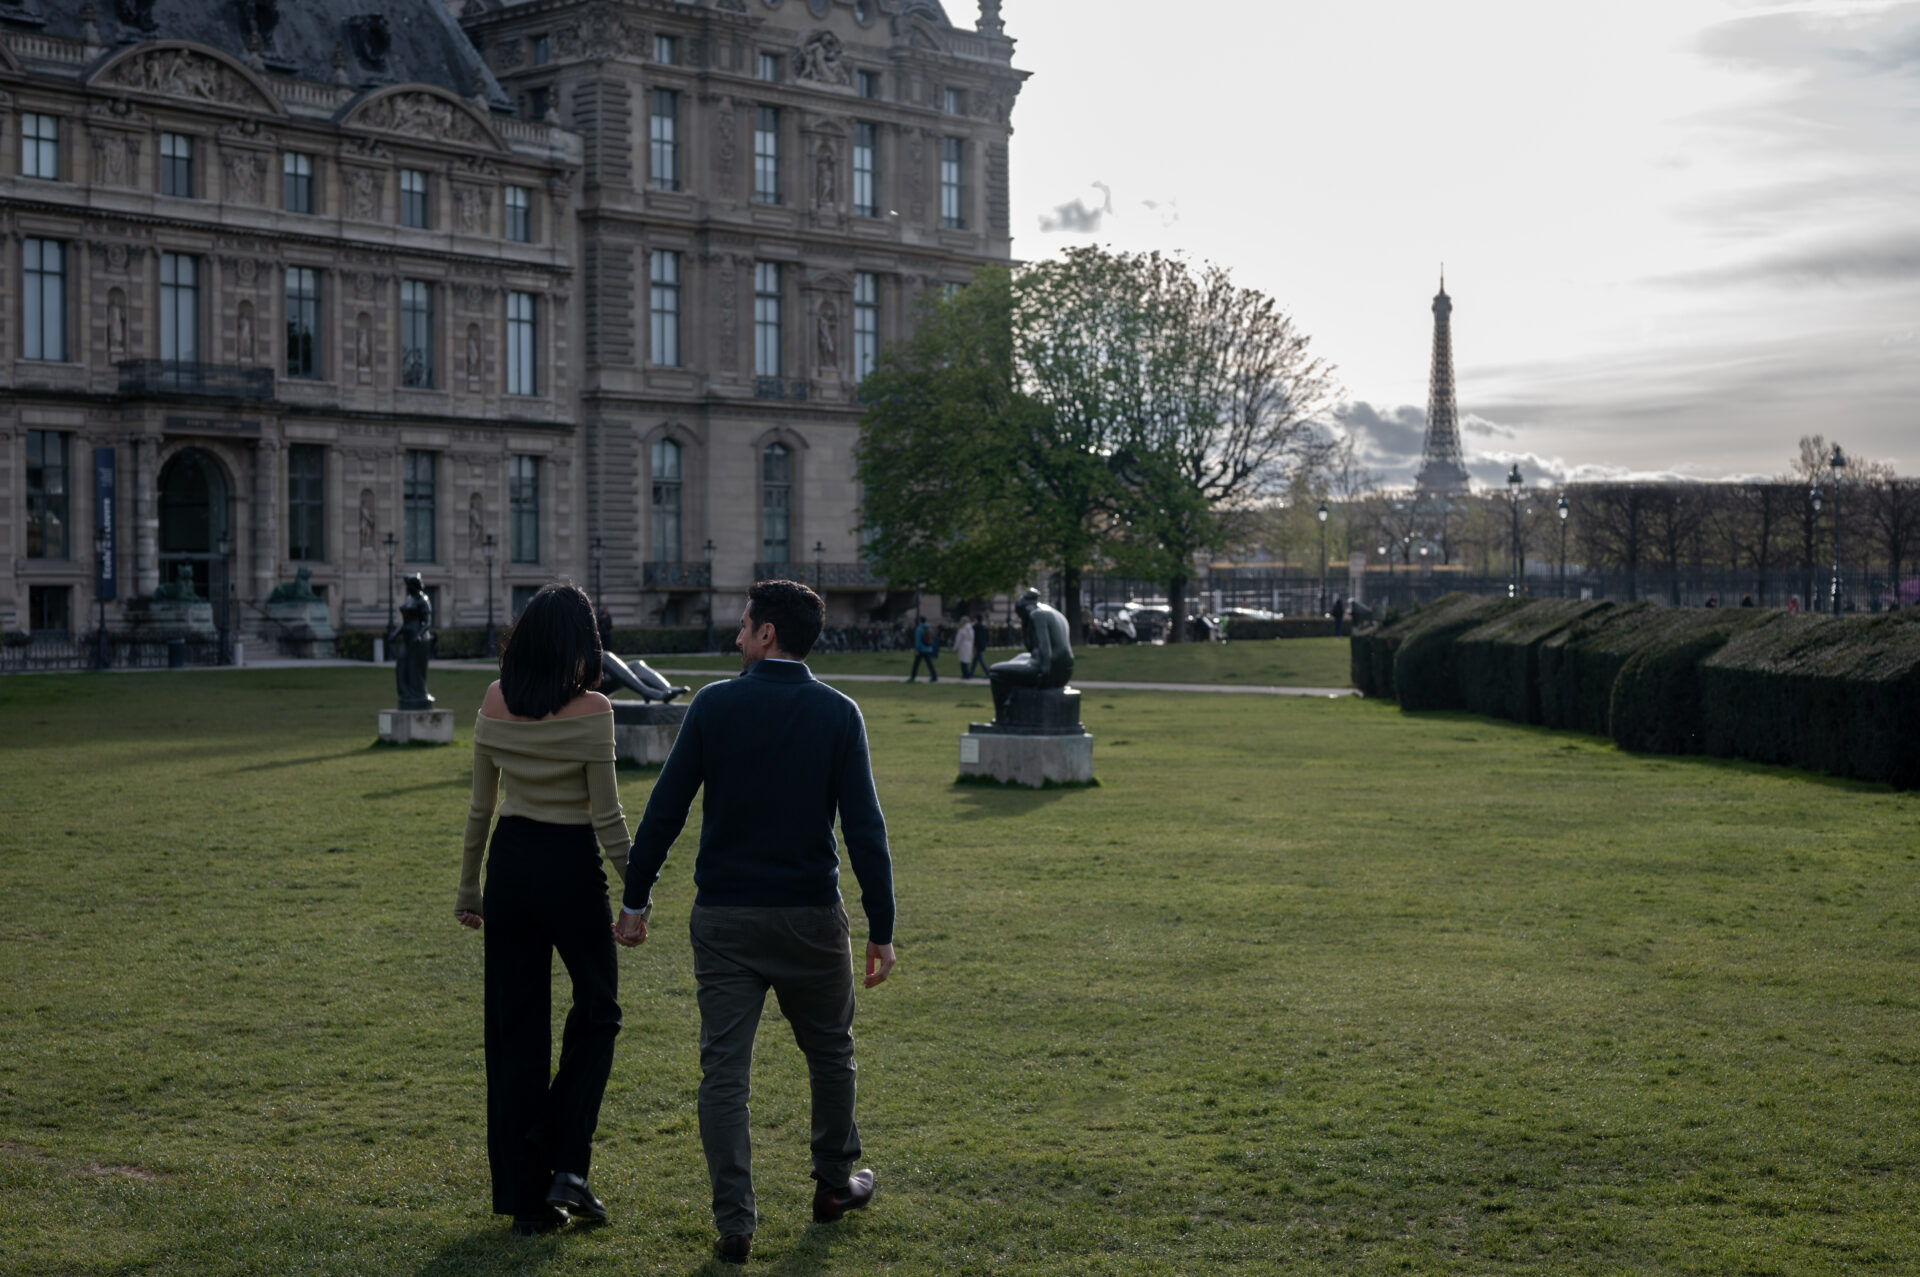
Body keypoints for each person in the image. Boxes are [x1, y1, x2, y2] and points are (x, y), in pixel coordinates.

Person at [614, 579, 896, 1267]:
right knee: (830, 1051)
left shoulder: (715, 703)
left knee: (724, 1073)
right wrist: (881, 927)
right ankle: (833, 1184)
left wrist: (635, 898)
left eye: (744, 624)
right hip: (808, 916)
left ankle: (735, 1224)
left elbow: (665, 810)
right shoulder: (838, 712)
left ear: (768, 633)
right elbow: (864, 829)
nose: (737, 634)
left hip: (726, 918)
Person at [456, 583, 630, 1238]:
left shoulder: (494, 700)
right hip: (569, 867)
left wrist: (469, 888)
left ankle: (528, 1201)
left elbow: (480, 808)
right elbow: (607, 817)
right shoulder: (595, 708)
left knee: (513, 1032)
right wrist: (636, 891)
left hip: (510, 866)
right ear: (581, 644)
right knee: (599, 1009)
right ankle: (564, 1158)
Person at [907, 614, 939, 682]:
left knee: (916, 664)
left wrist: (916, 650)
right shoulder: (929, 627)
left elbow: (917, 641)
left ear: (920, 621)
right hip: (928, 648)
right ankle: (934, 676)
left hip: (921, 649)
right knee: (930, 664)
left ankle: (912, 677)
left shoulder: (919, 628)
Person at [953, 612, 976, 679]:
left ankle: (965, 675)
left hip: (963, 646)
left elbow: (958, 640)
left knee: (963, 662)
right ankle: (966, 674)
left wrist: (955, 648)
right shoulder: (971, 629)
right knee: (966, 661)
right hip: (969, 646)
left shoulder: (962, 630)